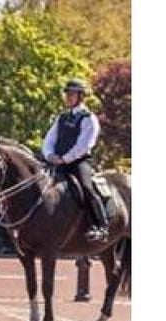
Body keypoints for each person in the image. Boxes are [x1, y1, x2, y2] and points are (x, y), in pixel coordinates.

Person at [42, 78, 109, 242]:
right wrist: (49, 154)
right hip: (56, 162)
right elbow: (49, 139)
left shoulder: (89, 118)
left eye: (72, 94)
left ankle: (101, 226)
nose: (68, 97)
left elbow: (84, 145)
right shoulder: (62, 117)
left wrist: (64, 159)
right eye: (67, 94)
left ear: (80, 96)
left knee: (87, 188)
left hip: (78, 162)